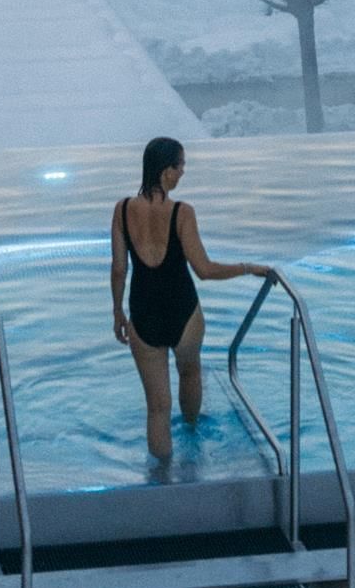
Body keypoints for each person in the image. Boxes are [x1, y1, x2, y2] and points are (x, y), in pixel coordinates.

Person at [111, 135, 277, 470]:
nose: (183, 172)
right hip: (184, 312)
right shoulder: (182, 213)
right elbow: (204, 269)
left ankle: (162, 482)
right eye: (180, 165)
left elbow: (118, 268)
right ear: (165, 170)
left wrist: (117, 312)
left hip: (142, 315)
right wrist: (249, 268)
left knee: (157, 407)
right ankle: (191, 443)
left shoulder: (123, 209)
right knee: (190, 372)